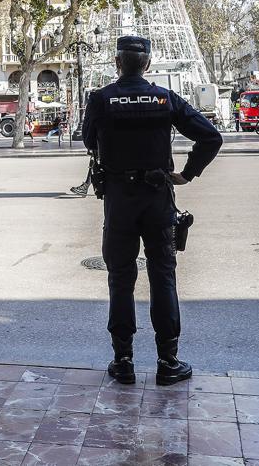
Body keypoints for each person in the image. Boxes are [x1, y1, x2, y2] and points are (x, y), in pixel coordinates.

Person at [82, 36, 222, 386]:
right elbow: (210, 137)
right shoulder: (165, 98)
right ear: (147, 63)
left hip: (119, 198)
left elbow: (87, 140)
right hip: (159, 195)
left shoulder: (101, 99)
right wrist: (188, 173)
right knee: (163, 276)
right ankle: (168, 361)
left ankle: (124, 360)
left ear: (117, 62)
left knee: (120, 278)